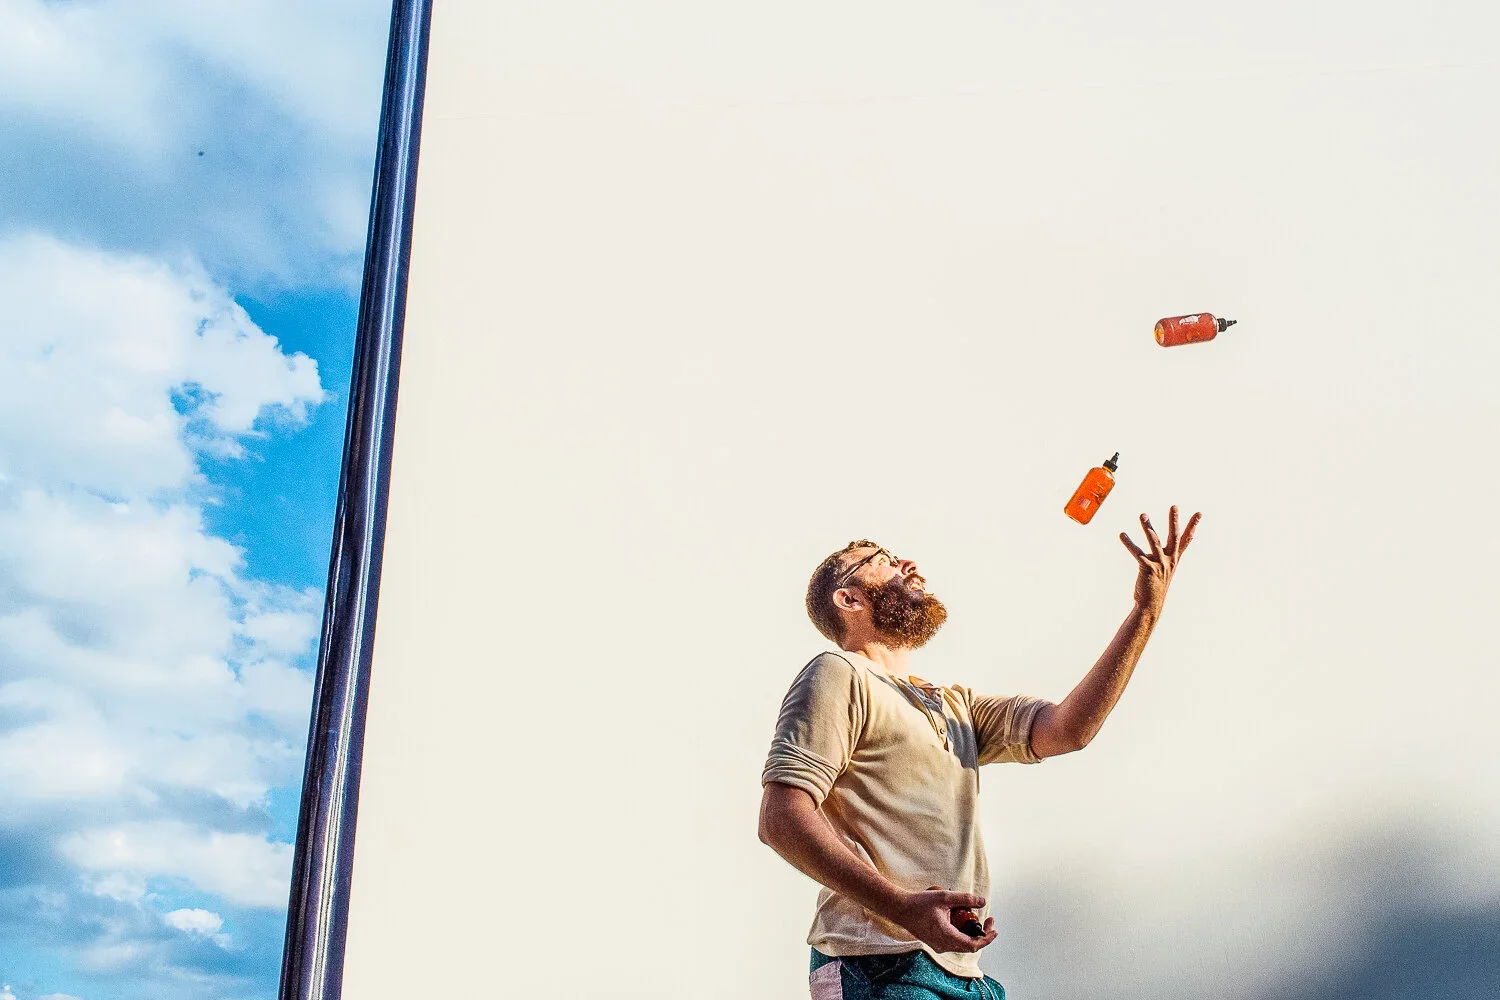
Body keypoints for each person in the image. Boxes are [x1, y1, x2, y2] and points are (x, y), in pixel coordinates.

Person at [759, 507, 1201, 999]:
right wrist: (900, 906)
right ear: (849, 597)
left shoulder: (955, 707)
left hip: (964, 973)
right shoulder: (839, 673)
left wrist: (1145, 612)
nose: (905, 561)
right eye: (880, 559)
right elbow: (781, 819)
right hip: (876, 968)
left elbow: (1069, 728)